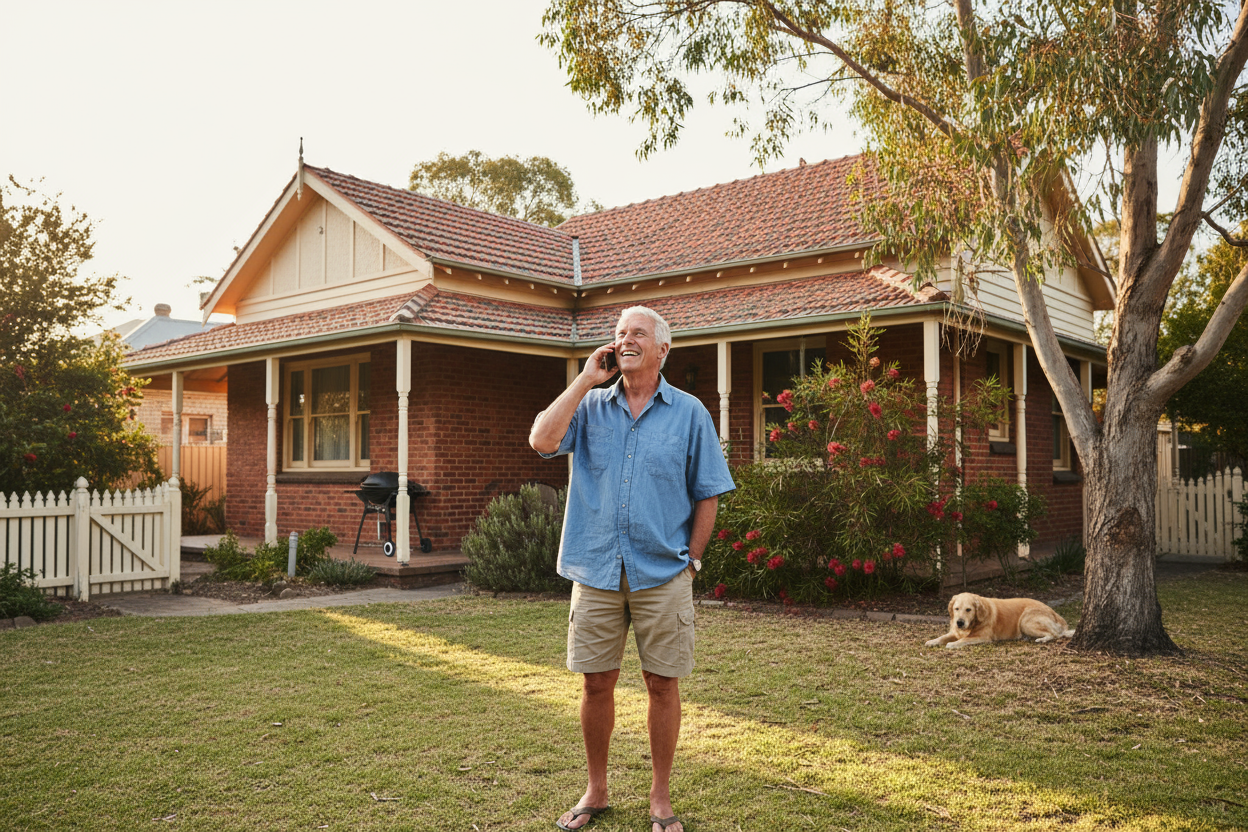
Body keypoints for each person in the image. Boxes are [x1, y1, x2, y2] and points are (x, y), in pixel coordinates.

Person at [530, 306, 735, 832]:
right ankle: (596, 791)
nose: (626, 340)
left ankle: (660, 798)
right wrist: (583, 379)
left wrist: (692, 561)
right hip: (595, 570)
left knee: (662, 685)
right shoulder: (591, 406)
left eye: (638, 333)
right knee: (595, 684)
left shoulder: (689, 413)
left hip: (663, 575)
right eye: (620, 333)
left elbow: (709, 491)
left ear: (663, 349)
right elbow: (542, 440)